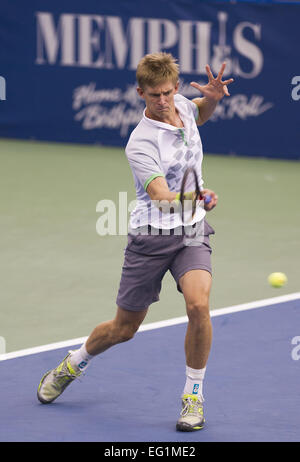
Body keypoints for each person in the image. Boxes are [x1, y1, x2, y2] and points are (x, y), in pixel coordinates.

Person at [37, 52, 233, 432]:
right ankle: (74, 363)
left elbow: (198, 117)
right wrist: (199, 196)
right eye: (153, 95)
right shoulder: (139, 144)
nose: (161, 102)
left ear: (175, 88)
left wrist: (211, 99)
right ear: (140, 92)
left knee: (198, 304)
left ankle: (193, 395)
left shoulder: (181, 105)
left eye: (166, 93)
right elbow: (160, 195)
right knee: (123, 329)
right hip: (151, 237)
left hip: (192, 231)